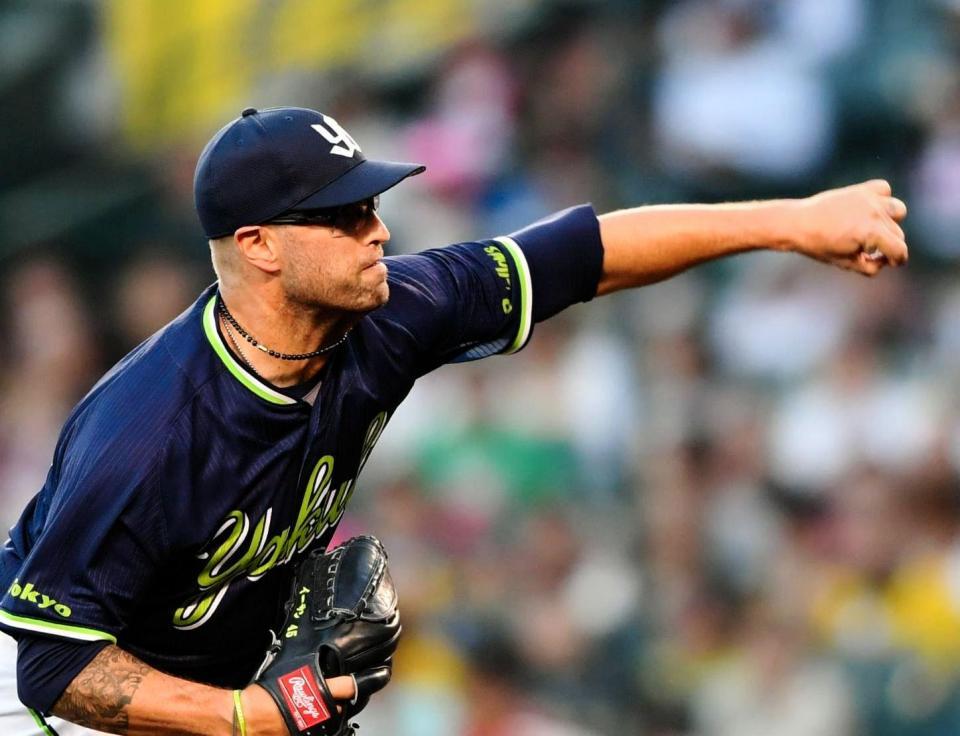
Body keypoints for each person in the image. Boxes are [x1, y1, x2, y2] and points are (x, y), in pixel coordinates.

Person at [0, 105, 908, 736]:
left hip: (197, 680)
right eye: (344, 214)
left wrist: (791, 220)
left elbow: (584, 255)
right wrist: (242, 716)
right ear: (259, 247)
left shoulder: (393, 310)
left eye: (372, 204)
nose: (377, 230)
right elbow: (52, 664)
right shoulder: (149, 432)